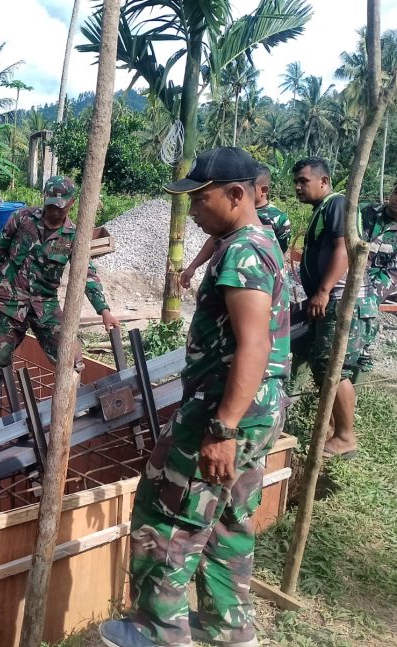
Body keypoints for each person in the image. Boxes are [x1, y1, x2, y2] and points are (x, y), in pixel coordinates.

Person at [99, 147, 290, 647]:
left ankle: (157, 633)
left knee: (166, 515)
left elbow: (255, 343)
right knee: (228, 519)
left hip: (223, 411)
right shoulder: (258, 240)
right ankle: (230, 630)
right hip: (256, 412)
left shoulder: (243, 253)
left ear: (234, 194)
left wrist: (222, 428)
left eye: (200, 199)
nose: (193, 210)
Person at [0, 175, 119, 422]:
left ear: (71, 204)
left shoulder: (74, 236)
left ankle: (74, 405)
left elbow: (87, 275)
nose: (54, 211)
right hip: (10, 299)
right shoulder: (22, 218)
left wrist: (103, 310)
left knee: (70, 353)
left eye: (60, 207)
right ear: (44, 200)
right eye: (50, 205)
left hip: (44, 305)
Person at [293, 157, 377, 460]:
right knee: (325, 364)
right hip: (331, 298)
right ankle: (331, 429)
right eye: (296, 182)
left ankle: (345, 437)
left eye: (304, 181)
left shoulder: (336, 203)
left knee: (333, 367)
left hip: (340, 298)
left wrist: (325, 290)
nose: (298, 187)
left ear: (324, 181)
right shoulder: (323, 209)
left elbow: (343, 248)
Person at [180, 164, 291, 289]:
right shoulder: (235, 217)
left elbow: (280, 251)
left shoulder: (274, 221)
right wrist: (193, 266)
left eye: (250, 186)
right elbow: (213, 240)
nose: (192, 212)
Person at [356, 174, 397, 372]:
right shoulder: (365, 211)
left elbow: (392, 276)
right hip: (340, 283)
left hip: (367, 297)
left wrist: (361, 297)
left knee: (360, 353)